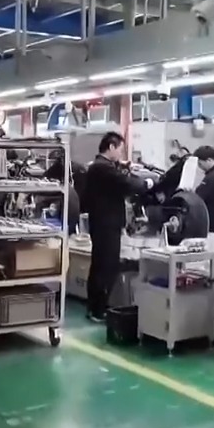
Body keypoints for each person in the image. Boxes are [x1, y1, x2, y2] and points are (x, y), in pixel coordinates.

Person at [82, 131, 151, 322]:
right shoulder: (102, 168)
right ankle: (98, 309)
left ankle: (94, 307)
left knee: (100, 265)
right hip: (106, 224)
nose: (121, 154)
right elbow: (126, 183)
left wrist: (123, 167)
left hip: (103, 223)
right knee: (107, 266)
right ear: (111, 147)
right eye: (120, 149)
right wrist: (146, 183)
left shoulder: (100, 166)